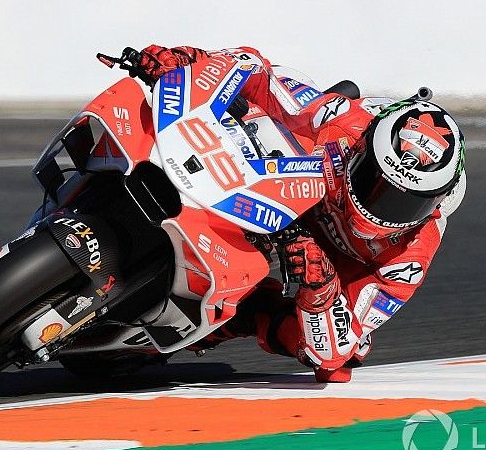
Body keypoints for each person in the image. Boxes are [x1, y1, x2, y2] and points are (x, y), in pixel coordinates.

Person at [138, 45, 466, 382]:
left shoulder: (408, 260)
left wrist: (321, 289)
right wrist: (189, 62)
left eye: (406, 202)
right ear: (362, 150)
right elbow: (254, 69)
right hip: (288, 192)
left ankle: (229, 316)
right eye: (373, 181)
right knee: (238, 114)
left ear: (437, 203)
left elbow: (336, 351)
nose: (380, 206)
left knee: (339, 362)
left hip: (333, 268)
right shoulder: (340, 120)